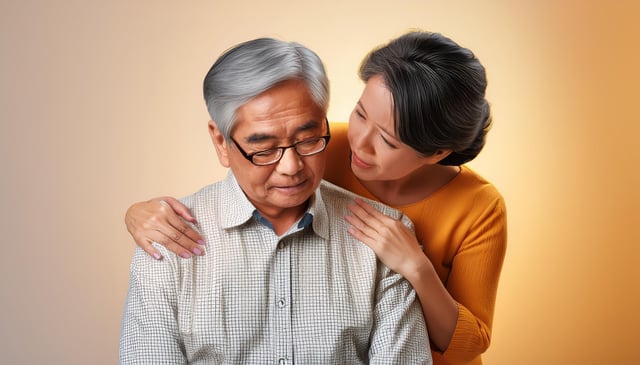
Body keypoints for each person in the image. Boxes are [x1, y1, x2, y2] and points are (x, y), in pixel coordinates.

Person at [125, 31, 507, 365]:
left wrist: (416, 266)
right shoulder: (323, 140)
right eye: (359, 115)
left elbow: (467, 344)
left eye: (388, 140)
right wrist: (137, 214)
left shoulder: (471, 208)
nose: (292, 166)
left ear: (436, 153)